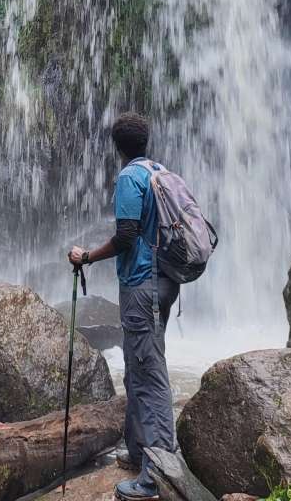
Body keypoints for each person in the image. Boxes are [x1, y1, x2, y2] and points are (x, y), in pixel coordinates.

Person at [68, 112, 178, 501]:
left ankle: (158, 475)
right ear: (145, 141)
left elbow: (127, 236)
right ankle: (138, 452)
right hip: (164, 282)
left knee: (149, 375)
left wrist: (87, 258)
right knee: (137, 364)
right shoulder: (160, 171)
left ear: (117, 147)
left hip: (141, 286)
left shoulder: (131, 177)